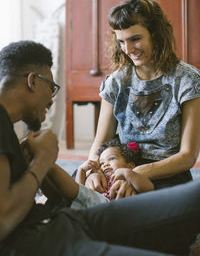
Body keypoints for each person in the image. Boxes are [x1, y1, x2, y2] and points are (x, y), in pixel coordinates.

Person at [1, 40, 200, 256]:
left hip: (65, 221)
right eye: (52, 88)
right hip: (43, 244)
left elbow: (59, 194)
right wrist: (42, 160)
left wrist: (44, 166)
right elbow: (3, 219)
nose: (51, 100)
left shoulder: (8, 128)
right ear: (33, 81)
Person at [86, 0, 200, 195]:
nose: (128, 50)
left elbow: (187, 156)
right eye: (121, 41)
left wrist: (136, 175)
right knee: (72, 188)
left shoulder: (188, 80)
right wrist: (93, 172)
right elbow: (100, 143)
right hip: (120, 167)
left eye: (135, 39)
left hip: (167, 174)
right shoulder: (115, 82)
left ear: (156, 35)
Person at [76, 137, 154, 202]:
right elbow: (80, 193)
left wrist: (127, 173)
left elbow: (149, 188)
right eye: (101, 163)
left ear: (130, 165)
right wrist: (81, 171)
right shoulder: (100, 178)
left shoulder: (130, 178)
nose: (105, 164)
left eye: (112, 158)